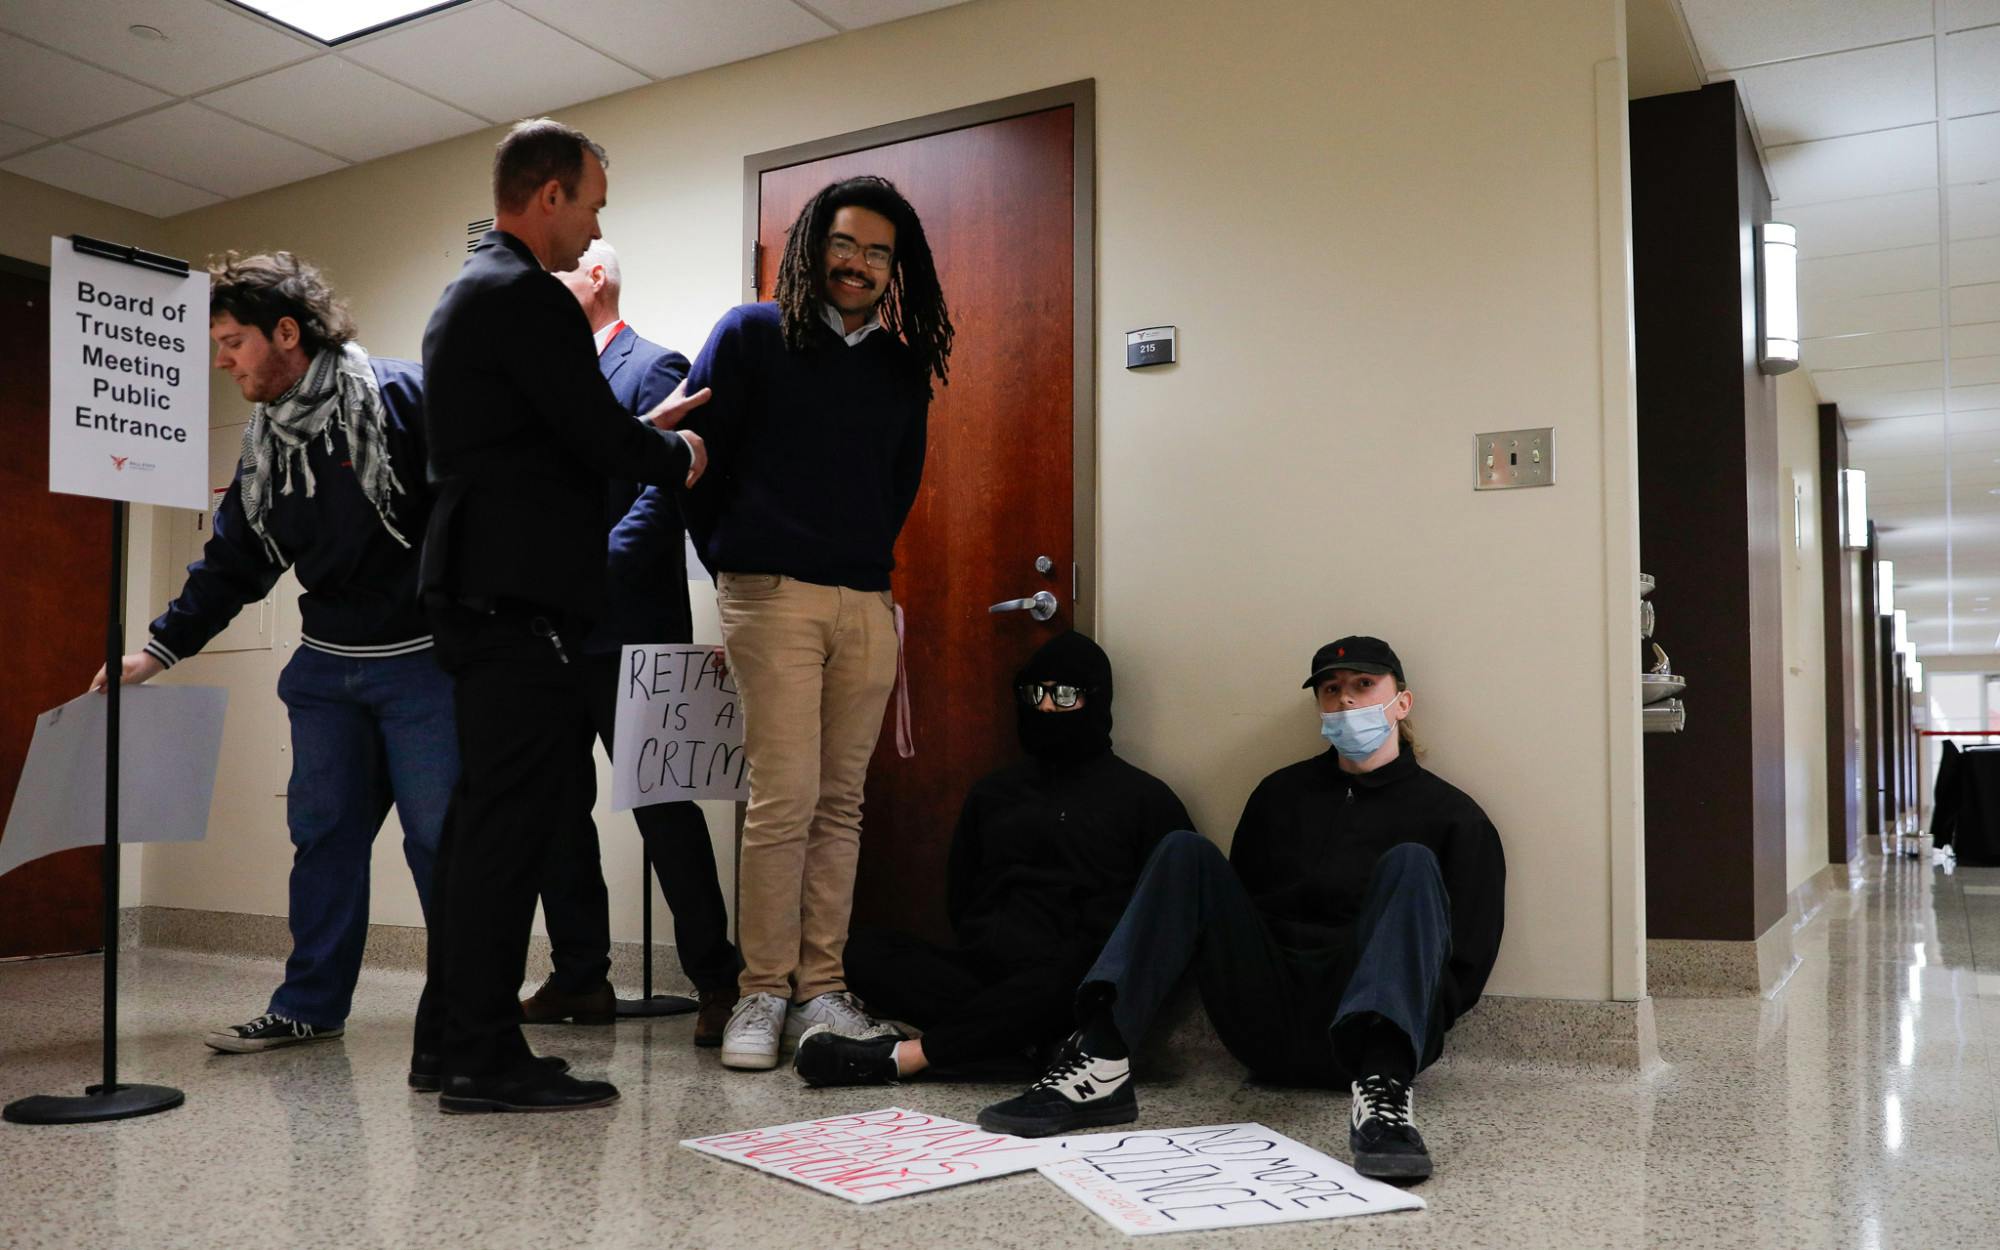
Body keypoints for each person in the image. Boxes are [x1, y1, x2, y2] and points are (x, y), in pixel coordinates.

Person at [410, 118, 711, 1115]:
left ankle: (443, 1042)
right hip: (522, 607)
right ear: (548, 195)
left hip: (474, 597)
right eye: (589, 204)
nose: (591, 228)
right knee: (508, 836)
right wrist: (670, 454)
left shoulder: (463, 295)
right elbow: (587, 435)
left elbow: (544, 443)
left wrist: (634, 430)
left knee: (475, 830)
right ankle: (487, 1058)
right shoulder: (529, 296)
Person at [89, 251, 453, 1056]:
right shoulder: (268, 445)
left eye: (232, 342)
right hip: (327, 668)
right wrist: (159, 649)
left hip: (425, 663)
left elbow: (479, 503)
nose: (221, 362)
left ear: (286, 331)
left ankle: (464, 1007)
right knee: (323, 838)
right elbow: (237, 561)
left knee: (442, 842)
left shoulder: (403, 396)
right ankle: (310, 1005)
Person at [977, 636, 1505, 1184]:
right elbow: (1236, 917)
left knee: (1412, 863)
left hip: (1367, 1036)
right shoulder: (1281, 795)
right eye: (1331, 690)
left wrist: (1398, 1032)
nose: (1346, 701)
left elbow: (1464, 962)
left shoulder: (1454, 818)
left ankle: (1385, 1105)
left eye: (1364, 686)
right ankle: (1103, 1062)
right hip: (1266, 1021)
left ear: (1402, 702)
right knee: (1185, 850)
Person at [674, 175, 953, 1071]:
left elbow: (898, 484)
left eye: (879, 252)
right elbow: (693, 460)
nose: (860, 264)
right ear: (812, 247)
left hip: (866, 601)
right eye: (845, 245)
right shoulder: (751, 334)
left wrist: (863, 569)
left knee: (841, 805)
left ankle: (820, 992)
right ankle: (760, 992)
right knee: (783, 800)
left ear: (894, 267)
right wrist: (731, 555)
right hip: (770, 593)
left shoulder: (903, 364)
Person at [795, 631, 1191, 1086]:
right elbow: (963, 896)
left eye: (1064, 696)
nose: (1044, 708)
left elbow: (1159, 927)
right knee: (859, 951)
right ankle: (1014, 1051)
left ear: (1096, 700)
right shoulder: (994, 793)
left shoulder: (1145, 800)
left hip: (1071, 982)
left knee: (1076, 976)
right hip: (987, 974)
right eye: (1033, 694)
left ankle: (908, 1057)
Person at [520, 240, 740, 1043]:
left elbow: (666, 492)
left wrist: (580, 574)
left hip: (630, 631)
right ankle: (581, 979)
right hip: (550, 637)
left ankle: (720, 983)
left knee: (665, 812)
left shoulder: (656, 368)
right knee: (554, 811)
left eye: (552, 278)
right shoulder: (549, 385)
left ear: (597, 276)